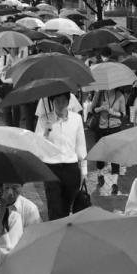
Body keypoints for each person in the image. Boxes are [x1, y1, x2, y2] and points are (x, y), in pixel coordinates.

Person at [36, 91, 87, 219]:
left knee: (68, 207)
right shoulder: (44, 119)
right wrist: (46, 132)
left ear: (68, 102)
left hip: (71, 168)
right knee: (54, 208)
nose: (60, 105)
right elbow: (37, 145)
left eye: (63, 101)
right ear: (52, 102)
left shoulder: (76, 119)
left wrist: (84, 170)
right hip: (51, 168)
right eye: (57, 101)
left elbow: (81, 145)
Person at [91, 87, 127, 195]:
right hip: (101, 128)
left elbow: (123, 113)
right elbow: (92, 110)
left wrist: (114, 113)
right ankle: (100, 174)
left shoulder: (120, 95)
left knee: (115, 155)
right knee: (101, 154)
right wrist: (101, 108)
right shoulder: (99, 93)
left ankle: (114, 184)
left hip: (115, 128)